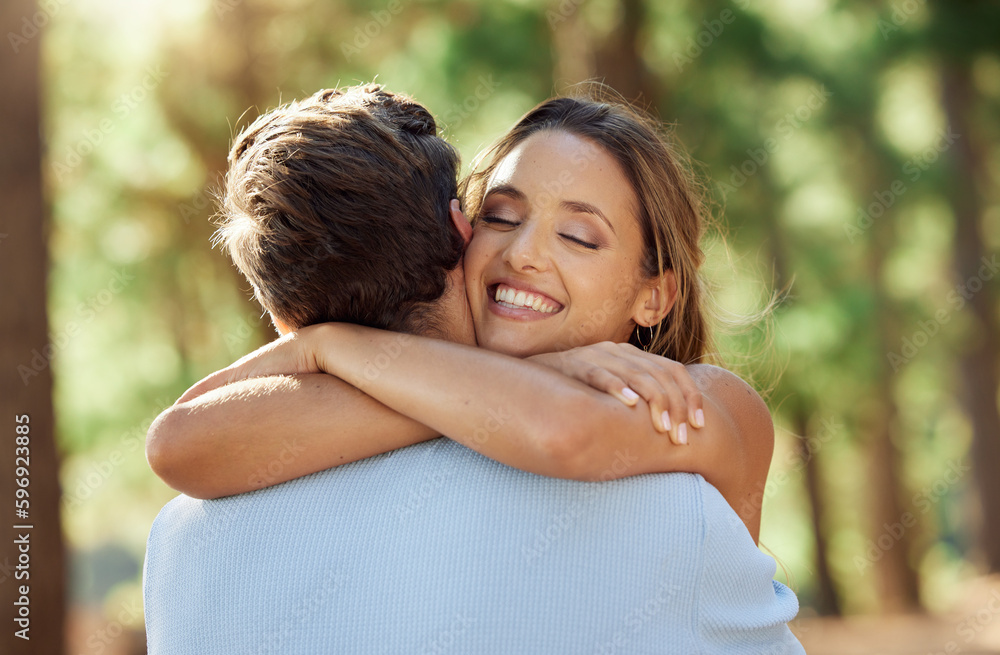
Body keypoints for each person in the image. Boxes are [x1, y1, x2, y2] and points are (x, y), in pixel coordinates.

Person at [143, 83, 804, 653]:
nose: (524, 253)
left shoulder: (702, 402)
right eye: (502, 215)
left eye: (578, 235)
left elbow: (563, 430)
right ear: (462, 234)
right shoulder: (422, 410)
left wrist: (325, 347)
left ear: (653, 293)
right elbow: (179, 441)